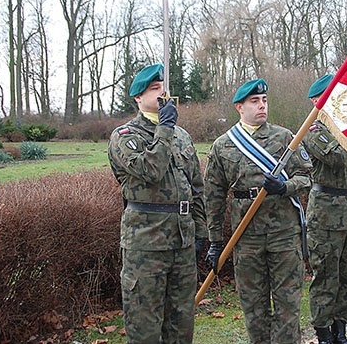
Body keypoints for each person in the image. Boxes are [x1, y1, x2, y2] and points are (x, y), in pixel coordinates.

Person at [203, 78, 312, 344]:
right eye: (255, 101)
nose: (262, 106)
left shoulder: (285, 137)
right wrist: (215, 242)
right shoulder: (223, 145)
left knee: (288, 304)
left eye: (264, 100)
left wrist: (284, 187)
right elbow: (213, 197)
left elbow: (306, 176)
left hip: (284, 235)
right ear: (239, 107)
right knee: (254, 307)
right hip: (246, 237)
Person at [107, 63, 207, 343]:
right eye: (154, 89)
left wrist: (201, 231)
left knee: (181, 325)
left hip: (182, 243)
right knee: (145, 327)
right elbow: (152, 169)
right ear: (138, 98)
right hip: (146, 245)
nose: (162, 92)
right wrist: (164, 128)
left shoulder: (182, 136)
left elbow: (196, 188)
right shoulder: (125, 137)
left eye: (164, 87)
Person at [303, 74, 347, 344]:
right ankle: (323, 332)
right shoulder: (314, 130)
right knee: (326, 278)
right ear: (317, 101)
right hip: (326, 218)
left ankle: (340, 329)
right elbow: (338, 158)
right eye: (332, 96)